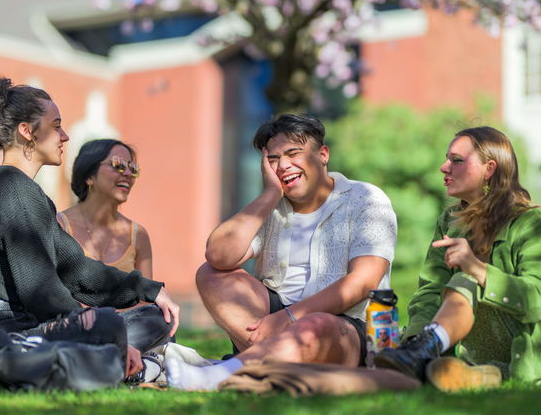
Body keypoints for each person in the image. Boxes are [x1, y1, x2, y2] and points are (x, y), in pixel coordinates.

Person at [166, 113, 397, 390]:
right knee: (212, 275)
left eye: (293, 153)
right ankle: (271, 361)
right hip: (270, 320)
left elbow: (363, 282)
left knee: (314, 327)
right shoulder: (271, 208)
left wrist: (290, 317)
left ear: (323, 154)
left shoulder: (366, 199)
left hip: (344, 327)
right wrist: (269, 196)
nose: (284, 165)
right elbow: (218, 255)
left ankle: (222, 374)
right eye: (273, 159)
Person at [0, 76, 179, 378]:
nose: (64, 136)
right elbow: (40, 292)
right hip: (9, 327)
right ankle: (107, 362)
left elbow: (78, 269)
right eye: (56, 125)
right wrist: (95, 325)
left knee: (156, 317)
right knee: (108, 324)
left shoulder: (29, 193)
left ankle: (104, 361)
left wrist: (149, 290)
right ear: (27, 132)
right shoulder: (11, 187)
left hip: (35, 325)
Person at [375, 126, 541, 392]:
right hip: (464, 347)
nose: (444, 167)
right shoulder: (449, 222)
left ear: (489, 169)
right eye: (447, 159)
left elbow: (537, 299)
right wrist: (413, 339)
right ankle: (437, 359)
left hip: (520, 348)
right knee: (390, 381)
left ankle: (426, 352)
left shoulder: (531, 223)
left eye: (457, 160)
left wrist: (477, 269)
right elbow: (429, 291)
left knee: (465, 277)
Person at [57, 139, 152, 278]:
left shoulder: (138, 236)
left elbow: (147, 297)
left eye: (133, 168)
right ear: (89, 176)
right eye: (117, 164)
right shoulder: (59, 226)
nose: (127, 173)